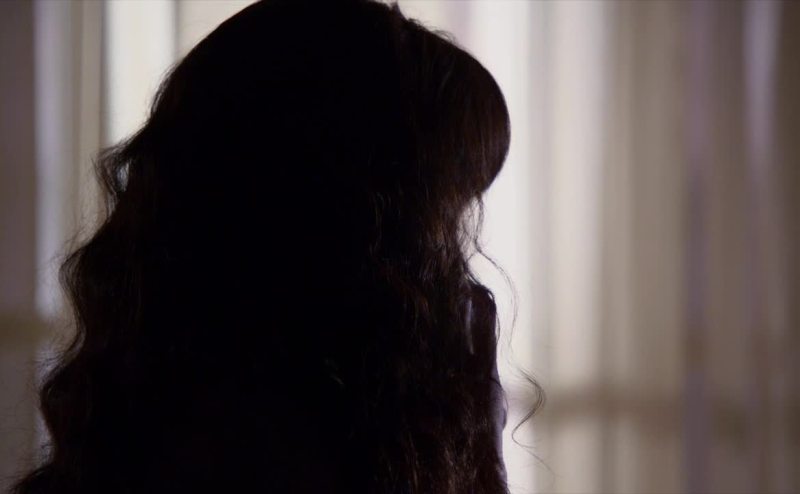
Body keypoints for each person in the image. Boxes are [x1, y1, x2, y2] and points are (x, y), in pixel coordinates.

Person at [13, 0, 525, 492]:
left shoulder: (140, 429)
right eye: (434, 241)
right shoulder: (291, 448)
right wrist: (480, 453)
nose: (456, 283)